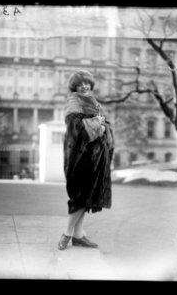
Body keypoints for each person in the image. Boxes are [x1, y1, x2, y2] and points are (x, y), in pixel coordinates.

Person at [58, 69, 114, 250]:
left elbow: (106, 124)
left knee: (87, 196)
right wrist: (98, 124)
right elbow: (78, 132)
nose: (84, 86)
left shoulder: (94, 103)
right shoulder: (74, 104)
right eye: (80, 84)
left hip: (96, 159)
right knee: (80, 197)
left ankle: (78, 235)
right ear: (74, 87)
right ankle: (67, 233)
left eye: (87, 83)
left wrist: (102, 124)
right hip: (80, 157)